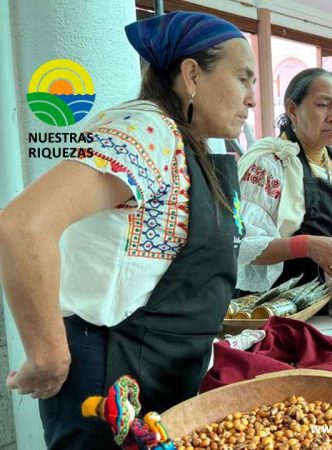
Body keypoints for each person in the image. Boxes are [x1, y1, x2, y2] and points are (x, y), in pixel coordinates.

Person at [0, 12, 256, 448]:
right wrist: (46, 354)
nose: (252, 98)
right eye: (243, 78)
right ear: (191, 74)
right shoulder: (147, 129)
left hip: (161, 368)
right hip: (108, 372)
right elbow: (23, 225)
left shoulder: (191, 143)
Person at [236, 68, 332, 294]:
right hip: (282, 306)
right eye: (323, 105)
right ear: (293, 110)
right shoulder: (270, 164)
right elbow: (242, 244)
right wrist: (306, 245)